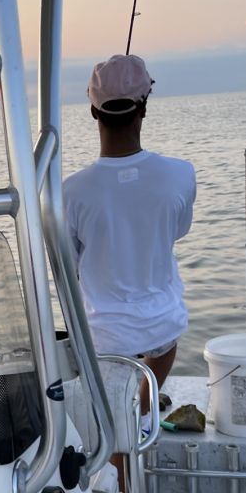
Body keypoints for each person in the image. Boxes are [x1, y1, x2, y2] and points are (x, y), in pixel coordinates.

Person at [63, 54, 196, 409]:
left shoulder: (70, 191)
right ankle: (147, 402)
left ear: (94, 111)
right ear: (144, 108)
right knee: (165, 338)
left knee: (110, 410)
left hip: (102, 335)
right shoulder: (182, 174)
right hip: (163, 325)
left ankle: (121, 423)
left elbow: (70, 262)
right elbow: (177, 231)